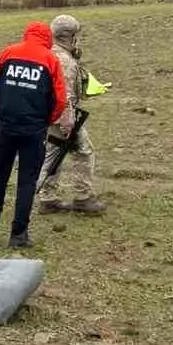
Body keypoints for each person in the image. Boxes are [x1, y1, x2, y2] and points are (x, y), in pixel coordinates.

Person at [0, 22, 68, 249]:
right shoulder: (50, 60)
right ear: (47, 38)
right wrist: (46, 121)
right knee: (26, 181)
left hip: (5, 127)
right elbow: (60, 99)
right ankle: (18, 234)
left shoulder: (8, 52)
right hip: (34, 130)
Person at [37, 14, 104, 216]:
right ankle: (83, 197)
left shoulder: (50, 53)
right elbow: (64, 94)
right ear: (69, 36)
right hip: (62, 116)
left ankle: (47, 199)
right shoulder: (64, 60)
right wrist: (67, 121)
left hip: (49, 115)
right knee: (83, 152)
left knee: (52, 154)